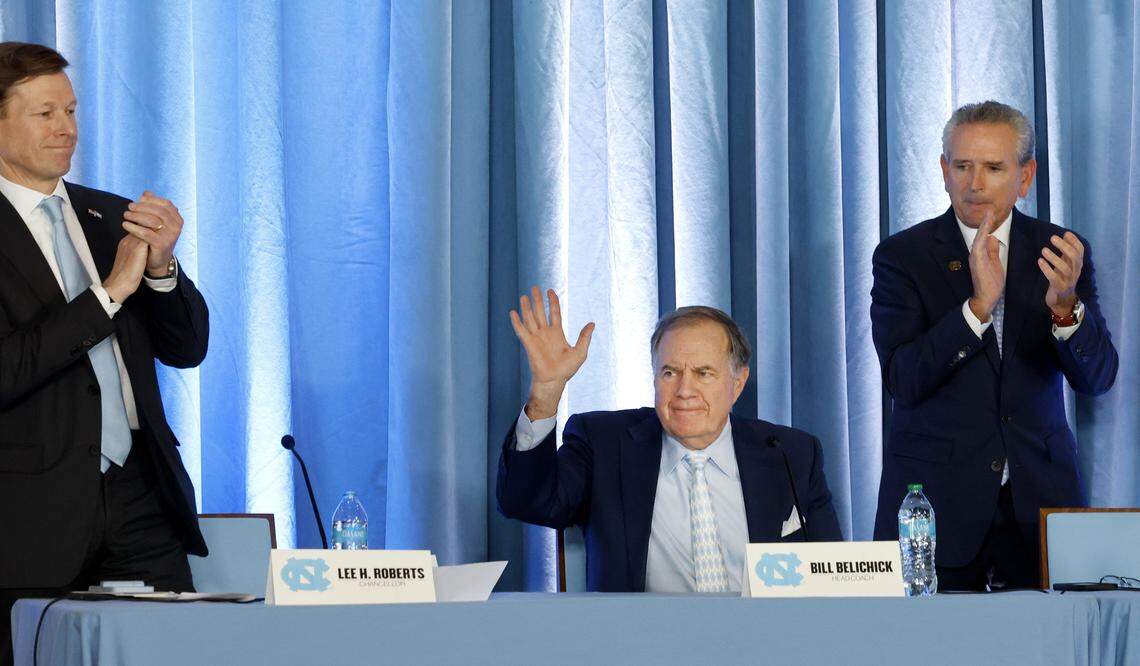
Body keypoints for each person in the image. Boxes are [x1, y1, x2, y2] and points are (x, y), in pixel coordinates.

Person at [0, 42, 209, 662]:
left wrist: (162, 270)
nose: (66, 129)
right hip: (27, 516)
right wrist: (109, 292)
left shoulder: (111, 216)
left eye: (70, 111)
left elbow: (187, 348)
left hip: (141, 497)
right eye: (45, 114)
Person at [870, 101, 1118, 590]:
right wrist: (977, 309)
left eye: (993, 168)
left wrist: (1066, 309)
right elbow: (904, 379)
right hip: (936, 512)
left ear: (1025, 177)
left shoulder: (1060, 251)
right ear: (944, 171)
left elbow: (1098, 378)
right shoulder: (902, 256)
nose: (975, 183)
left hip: (1040, 509)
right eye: (962, 166)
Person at [497, 287, 842, 593]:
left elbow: (833, 578)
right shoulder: (604, 443)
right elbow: (525, 502)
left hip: (766, 638)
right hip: (642, 639)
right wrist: (546, 392)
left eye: (703, 373)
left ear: (737, 383)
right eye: (670, 372)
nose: (684, 390)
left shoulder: (791, 454)